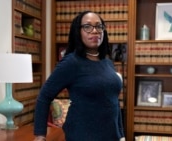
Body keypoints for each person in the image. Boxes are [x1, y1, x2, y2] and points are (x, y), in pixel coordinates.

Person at [33, 11, 125, 141]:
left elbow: (114, 101)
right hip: (82, 136)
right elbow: (44, 96)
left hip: (111, 136)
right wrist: (40, 135)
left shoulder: (107, 62)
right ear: (78, 32)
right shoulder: (71, 62)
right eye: (87, 27)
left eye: (99, 26)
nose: (95, 31)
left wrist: (121, 134)